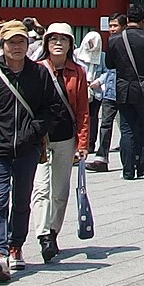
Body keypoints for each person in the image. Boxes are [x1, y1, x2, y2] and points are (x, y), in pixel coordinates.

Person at [0, 19, 70, 282]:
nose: (17, 47)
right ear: (2, 45)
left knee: (22, 201)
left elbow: (53, 107)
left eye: (21, 42)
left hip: (26, 148)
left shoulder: (40, 74)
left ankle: (16, 245)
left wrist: (36, 129)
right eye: (11, 42)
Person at [32, 23, 91, 259]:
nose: (58, 43)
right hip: (41, 139)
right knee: (41, 188)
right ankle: (43, 234)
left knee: (60, 189)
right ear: (46, 43)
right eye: (53, 39)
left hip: (66, 137)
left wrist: (83, 142)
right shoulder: (36, 70)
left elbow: (83, 110)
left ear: (70, 44)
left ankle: (53, 230)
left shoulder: (77, 72)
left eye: (63, 39)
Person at [104, 10, 144, 180]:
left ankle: (127, 170)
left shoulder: (114, 39)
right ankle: (143, 167)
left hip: (123, 89)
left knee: (127, 129)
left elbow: (109, 64)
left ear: (127, 20)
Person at [86, 18, 121, 169]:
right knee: (105, 124)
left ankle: (132, 159)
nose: (112, 29)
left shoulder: (122, 44)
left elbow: (108, 69)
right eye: (111, 25)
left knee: (127, 126)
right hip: (110, 92)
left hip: (124, 89)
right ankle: (101, 158)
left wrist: (99, 81)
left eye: (116, 25)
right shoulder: (110, 43)